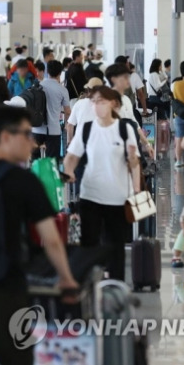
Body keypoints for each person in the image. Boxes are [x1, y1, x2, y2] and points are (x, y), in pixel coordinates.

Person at [0, 105, 78, 365]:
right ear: (7, 137)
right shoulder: (23, 180)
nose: (32, 143)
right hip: (3, 289)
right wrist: (66, 278)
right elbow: (51, 238)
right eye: (26, 134)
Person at [64, 86, 141, 281]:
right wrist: (68, 170)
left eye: (101, 101)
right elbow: (72, 156)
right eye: (94, 102)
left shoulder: (125, 129)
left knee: (115, 246)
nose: (96, 106)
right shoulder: (87, 129)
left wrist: (137, 191)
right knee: (89, 244)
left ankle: (115, 287)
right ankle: (89, 286)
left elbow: (135, 164)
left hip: (118, 197)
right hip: (90, 195)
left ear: (113, 104)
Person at [32, 60, 71, 160]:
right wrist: (67, 125)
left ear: (47, 71)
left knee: (34, 162)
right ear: (60, 73)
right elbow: (67, 111)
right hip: (53, 130)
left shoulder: (37, 86)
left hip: (36, 129)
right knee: (52, 163)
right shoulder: (62, 90)